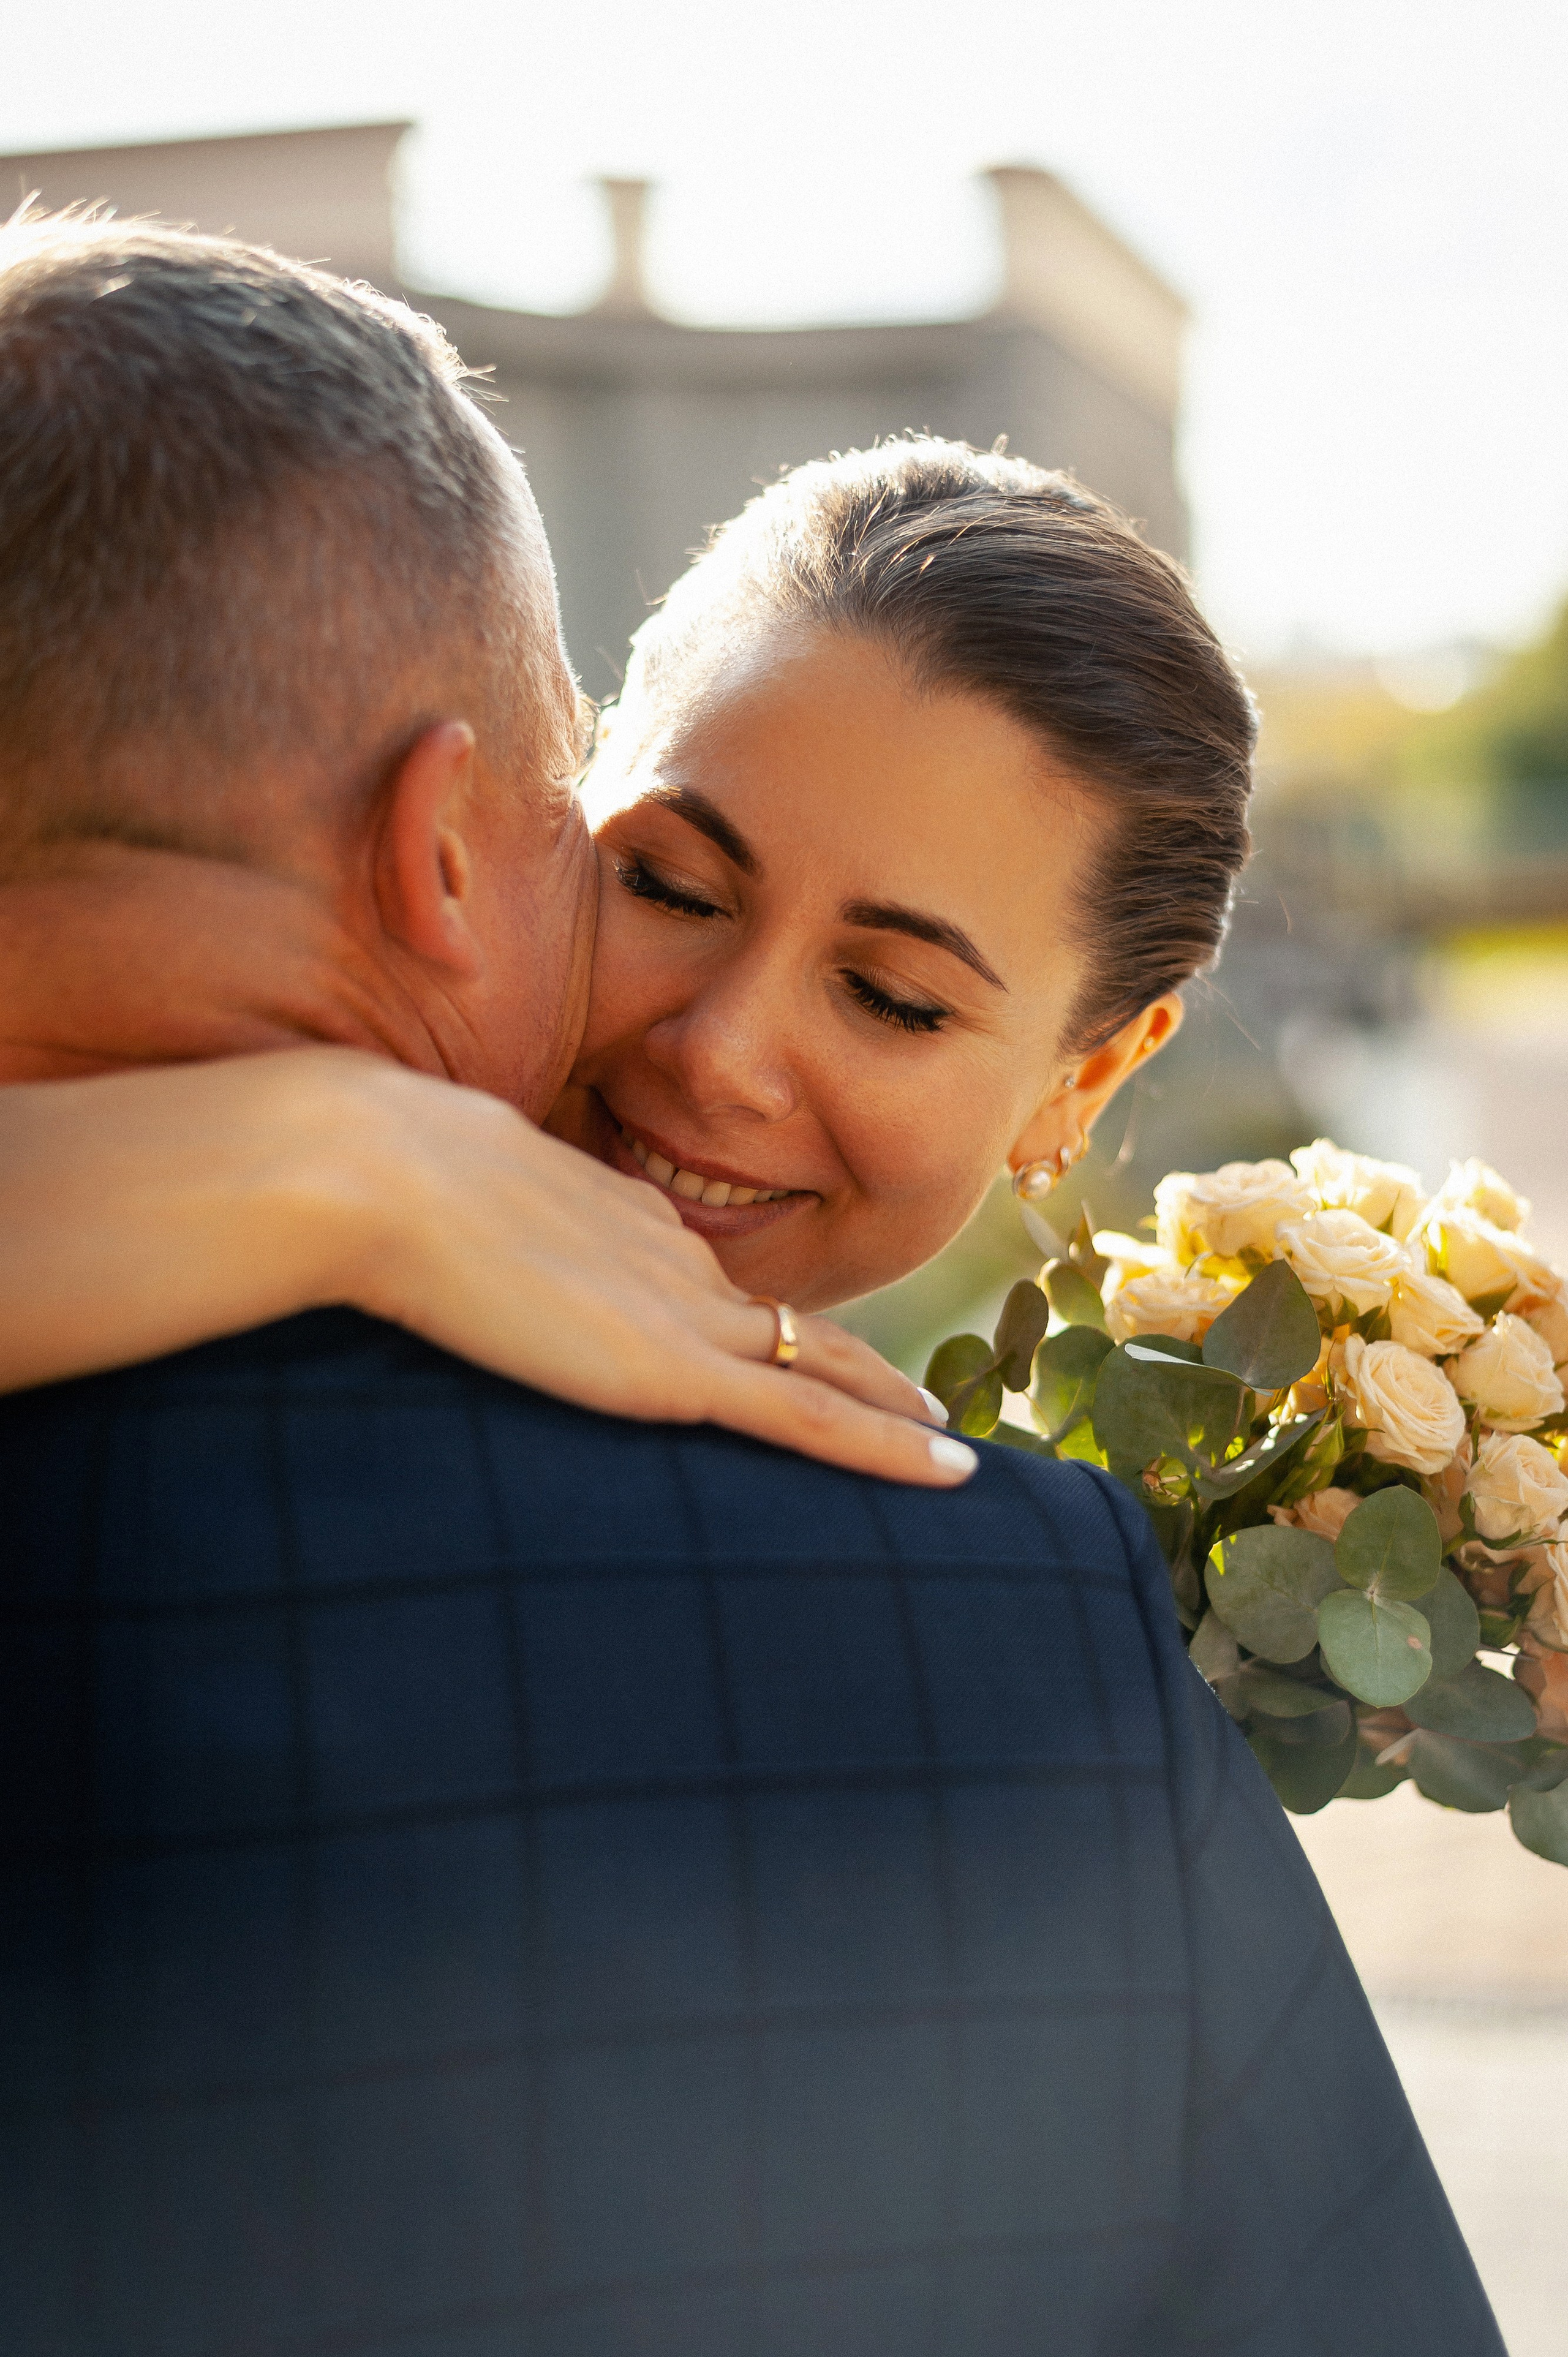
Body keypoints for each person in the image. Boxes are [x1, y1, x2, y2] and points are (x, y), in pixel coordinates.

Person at [0, 215, 1503, 2356]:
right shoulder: (1021, 1616)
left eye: (893, 997)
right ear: (507, 822)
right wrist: (346, 1161)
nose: (716, 1057)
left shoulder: (1020, 1598)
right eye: (668, 882)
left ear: (1088, 1079)